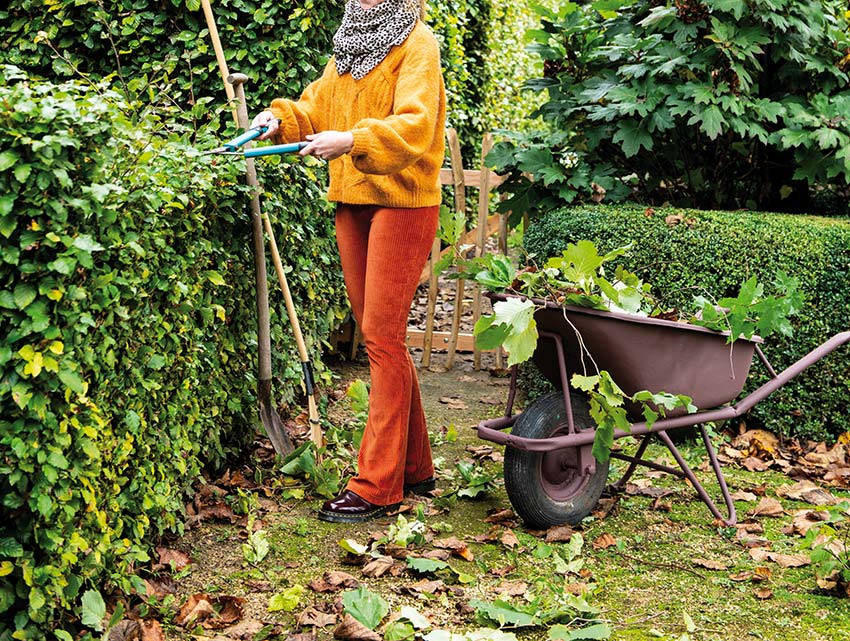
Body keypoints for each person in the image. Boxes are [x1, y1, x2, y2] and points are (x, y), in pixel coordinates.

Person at [251, 0, 446, 523]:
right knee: (381, 336)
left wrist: (355, 139)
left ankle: (377, 485)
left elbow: (416, 123)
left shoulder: (417, 45)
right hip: (353, 201)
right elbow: (317, 107)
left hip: (403, 202)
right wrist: (281, 119)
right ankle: (415, 466)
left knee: (382, 337)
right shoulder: (350, 47)